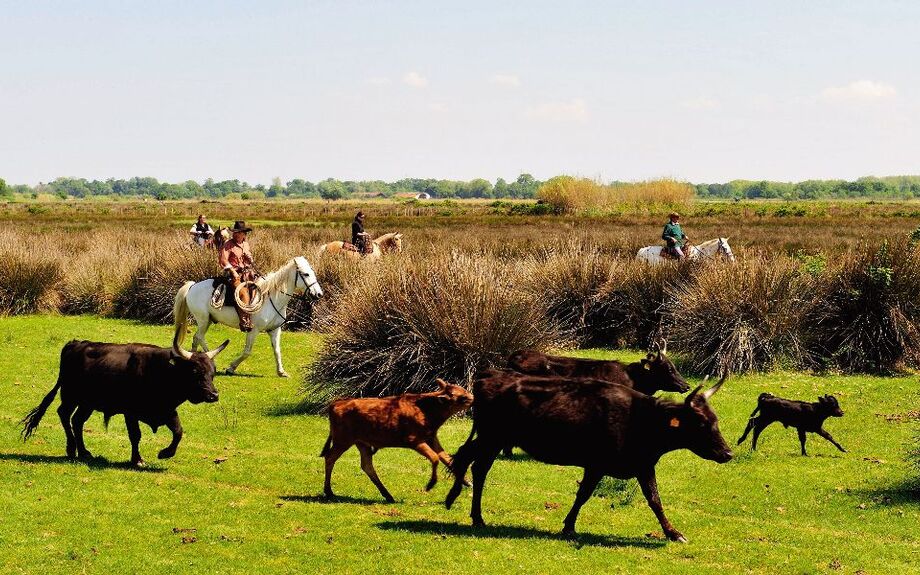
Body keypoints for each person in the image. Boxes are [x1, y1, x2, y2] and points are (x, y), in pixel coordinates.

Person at [219, 221, 256, 332]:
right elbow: (223, 260)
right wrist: (232, 271)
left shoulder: (246, 244)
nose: (236, 235)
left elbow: (249, 259)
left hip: (247, 273)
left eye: (239, 233)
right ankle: (244, 321)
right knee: (243, 292)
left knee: (257, 288)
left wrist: (250, 260)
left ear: (244, 234)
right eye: (235, 232)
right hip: (233, 274)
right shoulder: (228, 244)